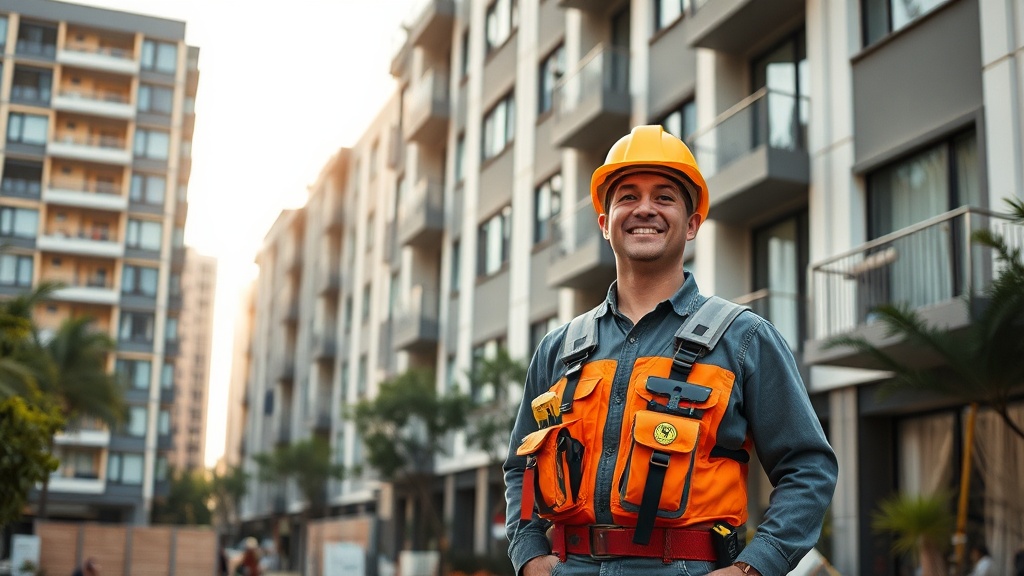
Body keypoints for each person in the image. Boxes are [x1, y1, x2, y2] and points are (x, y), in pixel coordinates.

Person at [503, 125, 838, 576]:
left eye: (664, 197)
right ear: (604, 224)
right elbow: (523, 469)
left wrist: (754, 567)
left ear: (693, 223)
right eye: (627, 196)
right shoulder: (557, 350)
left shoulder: (744, 339)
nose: (645, 208)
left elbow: (808, 467)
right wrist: (527, 553)